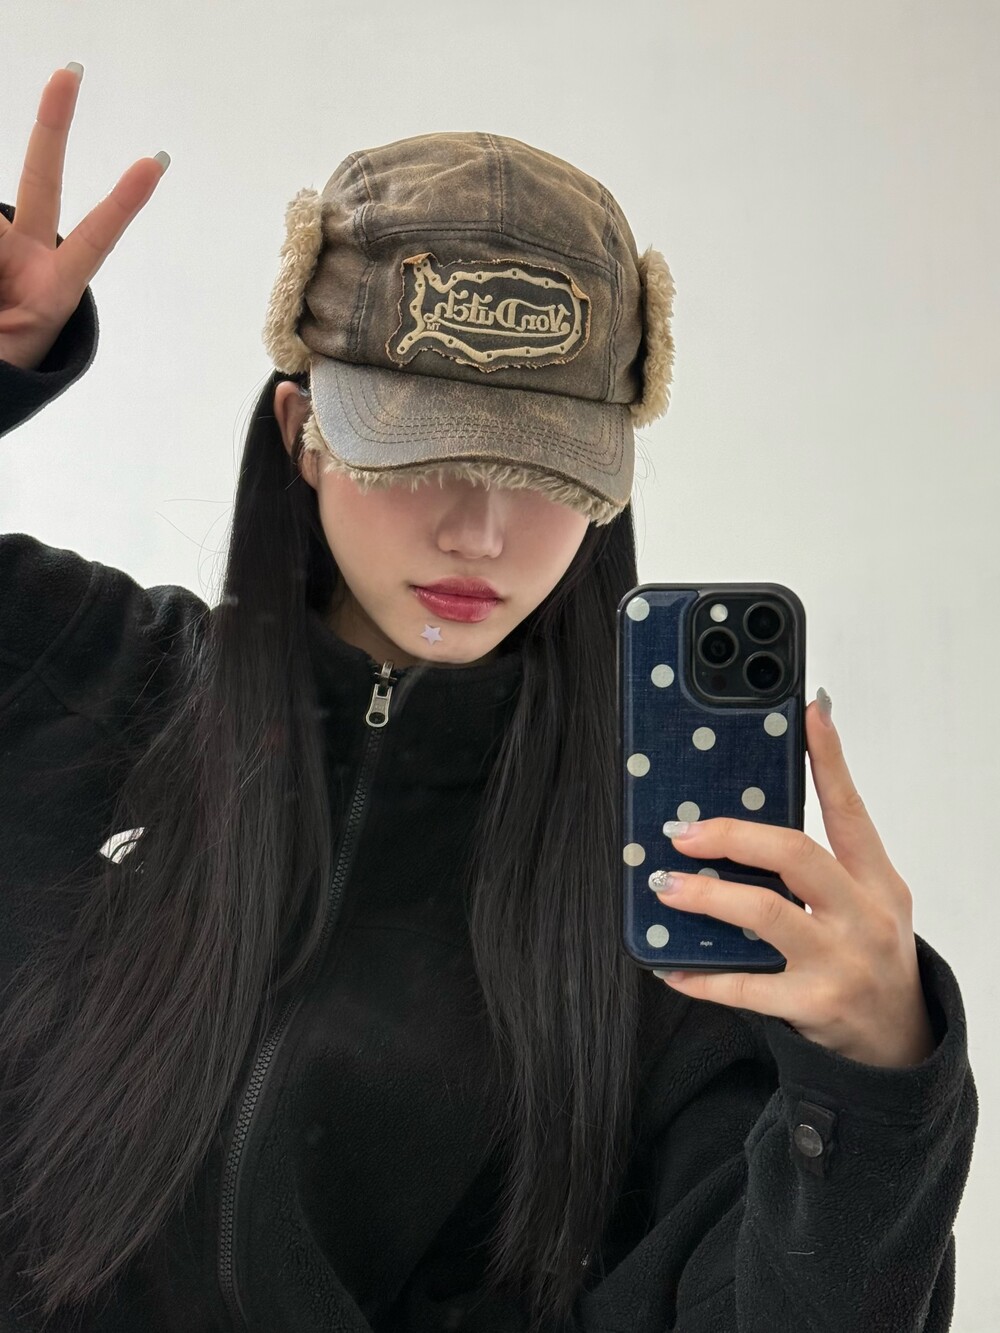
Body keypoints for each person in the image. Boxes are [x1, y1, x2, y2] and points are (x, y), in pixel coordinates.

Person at [0, 63, 977, 1333]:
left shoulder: (671, 899)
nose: (478, 530)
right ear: (302, 433)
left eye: (543, 471)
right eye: (421, 452)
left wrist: (875, 1088)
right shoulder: (71, 671)